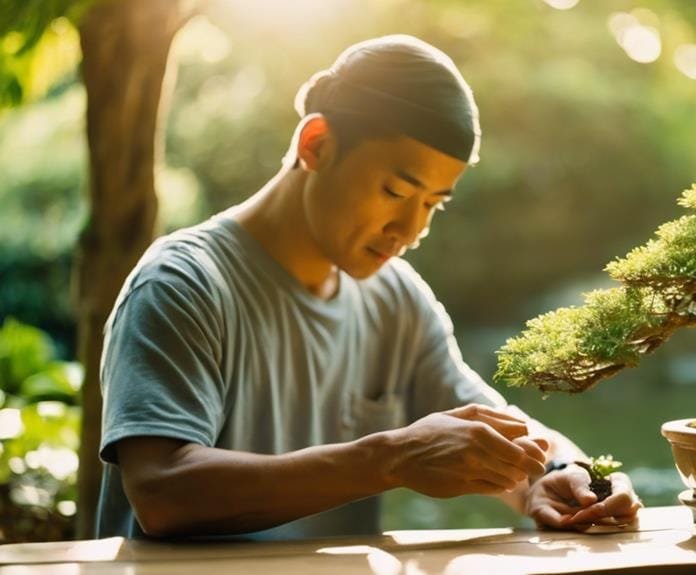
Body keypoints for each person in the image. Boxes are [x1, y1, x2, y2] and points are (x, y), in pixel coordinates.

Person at [96, 35, 641, 540]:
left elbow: (495, 431)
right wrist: (389, 459)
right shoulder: (182, 284)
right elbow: (161, 490)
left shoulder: (395, 298)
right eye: (396, 191)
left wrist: (563, 472)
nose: (411, 231)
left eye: (432, 204)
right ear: (316, 145)